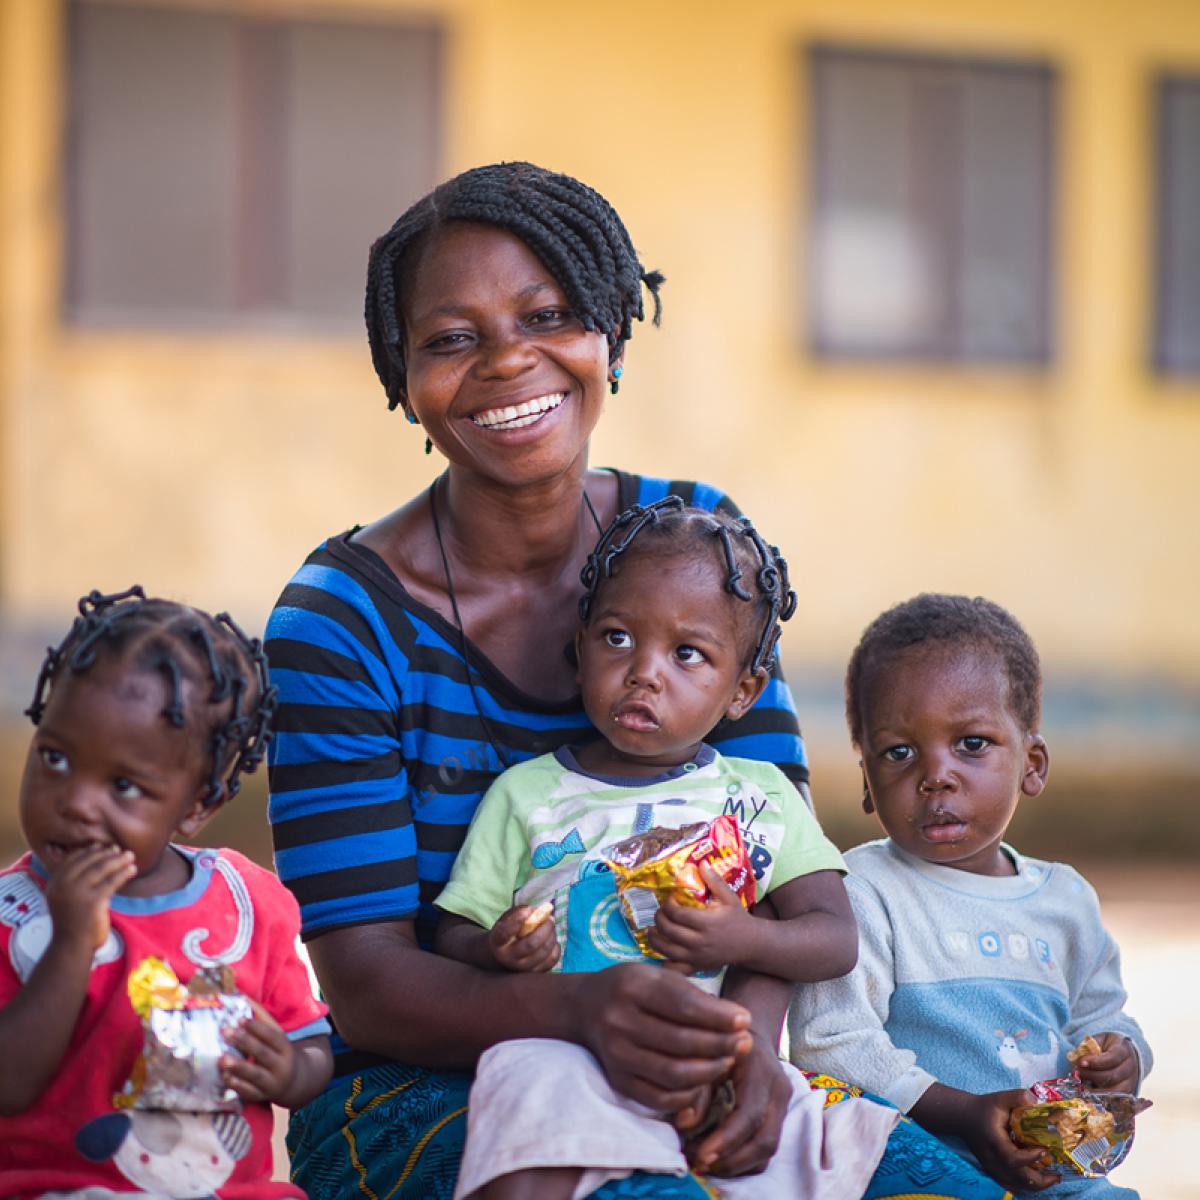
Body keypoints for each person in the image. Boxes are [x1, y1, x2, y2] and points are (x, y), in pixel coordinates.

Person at [265, 160, 1027, 1200]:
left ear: (610, 339)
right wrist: (577, 1010)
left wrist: (748, 1045)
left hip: (703, 1059)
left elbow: (774, 865)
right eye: (450, 338)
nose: (507, 360)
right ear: (400, 376)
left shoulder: (697, 545)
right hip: (416, 1086)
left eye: (549, 314)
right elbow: (367, 989)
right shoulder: (342, 620)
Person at [434, 496, 902, 1199]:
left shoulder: (759, 796)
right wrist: (496, 949)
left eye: (688, 654)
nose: (645, 672)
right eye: (618, 638)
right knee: (526, 1108)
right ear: (580, 646)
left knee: (835, 1144)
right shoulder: (525, 796)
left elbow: (834, 938)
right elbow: (454, 931)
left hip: (717, 1065)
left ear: (742, 691)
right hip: (567, 1054)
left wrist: (741, 936)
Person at [787, 593, 1153, 1199]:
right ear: (867, 783)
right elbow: (832, 1045)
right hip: (917, 1173)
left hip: (1058, 1177)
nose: (936, 774)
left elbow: (1102, 1018)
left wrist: (1125, 1056)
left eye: (972, 744)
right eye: (899, 752)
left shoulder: (1065, 900)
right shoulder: (862, 890)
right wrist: (964, 1114)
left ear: (1031, 764)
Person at [0, 586, 332, 1198]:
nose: (74, 802)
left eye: (123, 785)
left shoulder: (245, 905)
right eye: (54, 757)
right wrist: (71, 943)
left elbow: (311, 1043)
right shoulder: (12, 915)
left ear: (197, 806)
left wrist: (290, 1070)